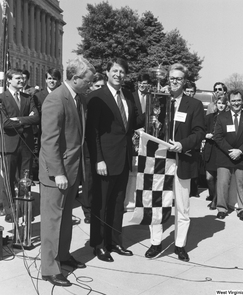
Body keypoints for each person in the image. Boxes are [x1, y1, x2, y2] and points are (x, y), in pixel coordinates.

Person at [39, 57, 95, 287]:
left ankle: (63, 255)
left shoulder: (77, 98)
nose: (90, 85)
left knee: (65, 221)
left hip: (71, 171)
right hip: (58, 174)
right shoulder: (55, 100)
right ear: (75, 78)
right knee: (53, 221)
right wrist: (58, 172)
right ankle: (49, 268)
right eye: (88, 81)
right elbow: (49, 141)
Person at [144, 63, 205, 262]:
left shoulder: (194, 105)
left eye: (178, 79)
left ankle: (180, 245)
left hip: (182, 160)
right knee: (157, 204)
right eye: (172, 78)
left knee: (182, 207)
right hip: (160, 160)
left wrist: (182, 144)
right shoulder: (158, 101)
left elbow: (199, 133)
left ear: (184, 81)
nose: (174, 82)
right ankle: (155, 242)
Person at [86, 57, 144, 263]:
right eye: (115, 71)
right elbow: (92, 133)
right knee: (101, 205)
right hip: (105, 160)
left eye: (122, 72)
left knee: (118, 203)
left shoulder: (128, 95)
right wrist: (98, 160)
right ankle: (99, 245)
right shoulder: (97, 97)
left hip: (123, 158)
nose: (119, 75)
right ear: (108, 72)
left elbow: (135, 121)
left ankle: (115, 241)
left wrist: (155, 107)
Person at [0, 68, 39, 223]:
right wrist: (25, 119)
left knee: (26, 179)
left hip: (26, 145)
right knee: (8, 179)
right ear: (9, 80)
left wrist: (18, 120)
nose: (21, 81)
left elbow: (36, 118)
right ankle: (10, 210)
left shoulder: (28, 98)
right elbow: (5, 123)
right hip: (9, 145)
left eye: (22, 78)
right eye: (17, 78)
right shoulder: (2, 98)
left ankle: (24, 207)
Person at [214, 89, 243, 221]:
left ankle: (242, 209)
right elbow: (218, 137)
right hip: (225, 156)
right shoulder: (221, 117)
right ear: (229, 102)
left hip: (242, 156)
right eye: (233, 101)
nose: (236, 103)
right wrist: (231, 151)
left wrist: (240, 151)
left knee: (242, 184)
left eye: (238, 100)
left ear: (242, 101)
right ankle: (221, 209)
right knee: (223, 184)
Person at [77, 72, 106, 224]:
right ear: (91, 87)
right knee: (88, 180)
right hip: (88, 146)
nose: (100, 89)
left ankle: (98, 208)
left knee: (99, 180)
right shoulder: (86, 101)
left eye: (102, 86)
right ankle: (87, 210)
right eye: (97, 86)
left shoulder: (107, 101)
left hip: (103, 146)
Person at [203, 95, 228, 209]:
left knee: (219, 177)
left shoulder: (229, 118)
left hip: (221, 150)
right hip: (210, 148)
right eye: (219, 103)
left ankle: (215, 200)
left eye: (223, 103)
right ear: (215, 104)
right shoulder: (209, 117)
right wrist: (206, 135)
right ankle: (213, 195)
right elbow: (200, 130)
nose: (221, 105)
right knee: (209, 177)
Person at [183, 81, 199, 197]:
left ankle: (193, 189)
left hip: (193, 142)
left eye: (191, 92)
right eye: (187, 91)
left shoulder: (197, 105)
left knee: (193, 167)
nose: (189, 93)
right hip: (181, 141)